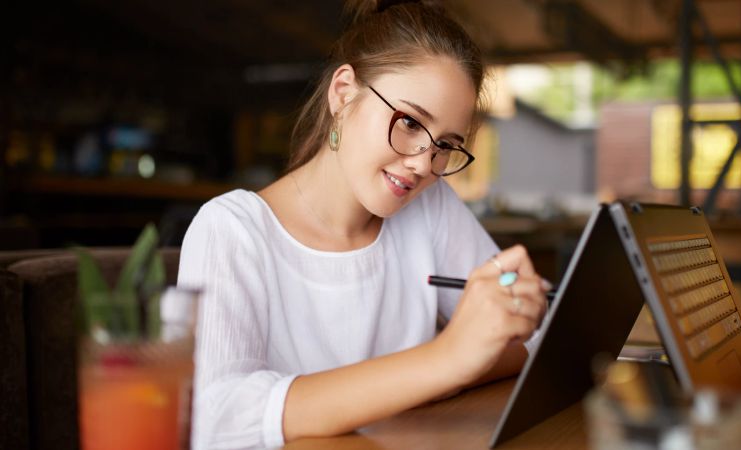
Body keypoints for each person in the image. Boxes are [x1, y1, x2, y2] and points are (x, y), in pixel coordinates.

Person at [177, 0, 549, 448]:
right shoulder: (232, 230)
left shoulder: (430, 208)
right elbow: (219, 418)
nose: (422, 164)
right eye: (410, 122)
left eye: (446, 145)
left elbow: (534, 328)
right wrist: (445, 361)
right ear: (343, 92)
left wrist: (482, 342)